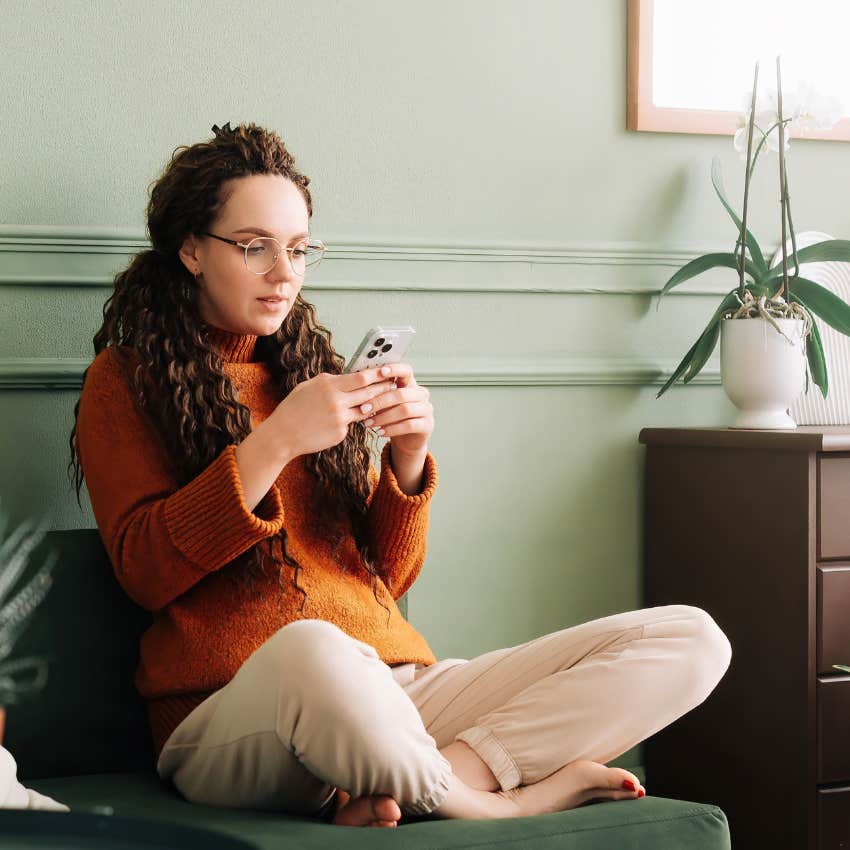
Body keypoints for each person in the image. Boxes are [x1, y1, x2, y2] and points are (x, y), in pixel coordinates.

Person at [69, 121, 732, 828]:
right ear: (192, 249)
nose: (283, 272)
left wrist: (406, 458)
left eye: (297, 249)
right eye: (254, 246)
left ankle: (431, 778)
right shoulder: (126, 382)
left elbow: (387, 574)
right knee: (314, 648)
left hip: (393, 690)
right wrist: (276, 442)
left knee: (692, 639)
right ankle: (497, 803)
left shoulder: (307, 374)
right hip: (232, 713)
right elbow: (143, 568)